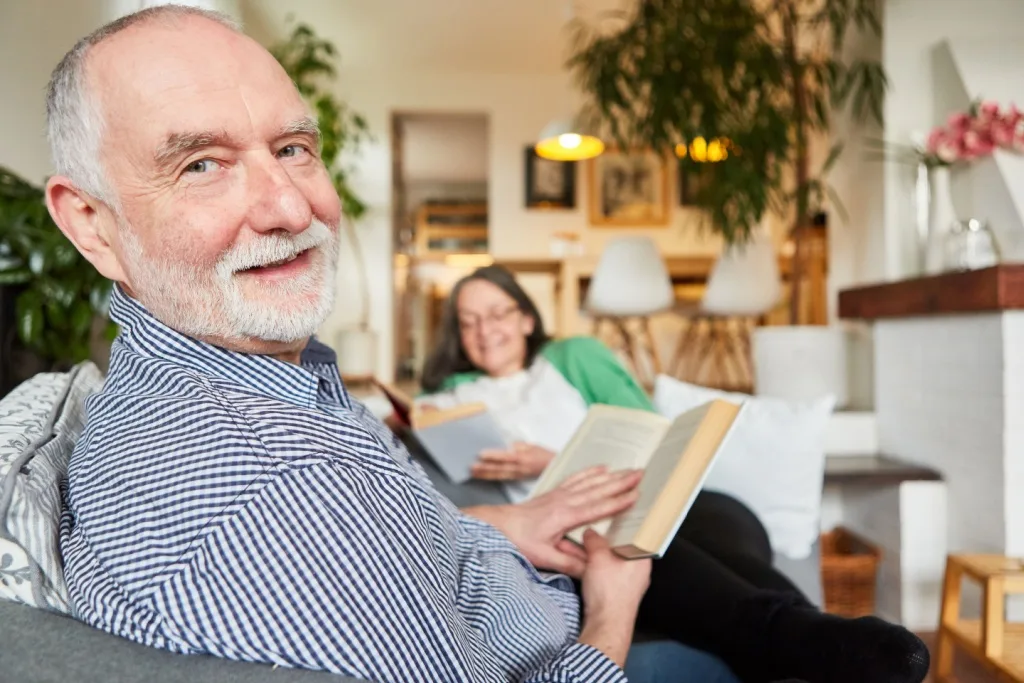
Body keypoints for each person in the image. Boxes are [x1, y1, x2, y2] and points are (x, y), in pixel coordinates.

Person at [44, 6, 739, 683]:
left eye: (292, 149)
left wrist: (498, 524)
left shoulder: (245, 386)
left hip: (523, 586)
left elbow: (392, 539)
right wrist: (612, 613)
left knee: (734, 541)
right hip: (574, 648)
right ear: (90, 224)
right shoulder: (283, 491)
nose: (291, 207)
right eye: (201, 164)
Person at [417, 264, 932, 683]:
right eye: (469, 321)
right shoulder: (450, 400)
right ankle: (813, 639)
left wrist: (549, 461)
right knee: (640, 550)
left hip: (677, 499)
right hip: (586, 533)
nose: (486, 331)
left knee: (713, 535)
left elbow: (658, 441)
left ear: (527, 318)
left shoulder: (573, 357)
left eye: (498, 314)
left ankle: (804, 637)